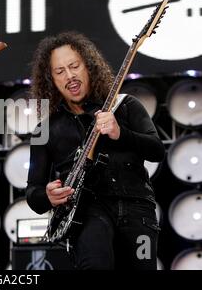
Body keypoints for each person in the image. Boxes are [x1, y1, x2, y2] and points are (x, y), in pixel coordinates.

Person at [26, 31, 165, 270]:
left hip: (138, 212)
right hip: (87, 214)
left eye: (74, 66)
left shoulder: (126, 106)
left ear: (88, 66)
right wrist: (46, 196)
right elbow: (33, 194)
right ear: (51, 81)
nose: (69, 76)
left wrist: (120, 133)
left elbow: (156, 151)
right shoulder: (44, 130)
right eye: (60, 72)